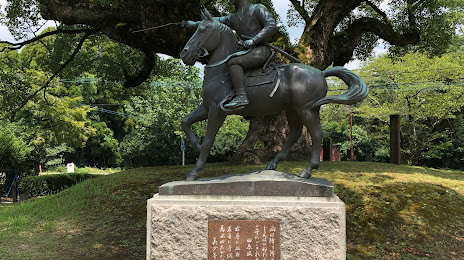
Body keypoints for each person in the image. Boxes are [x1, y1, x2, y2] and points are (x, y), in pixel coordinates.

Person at [186, 0, 277, 109]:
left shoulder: (258, 8)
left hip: (261, 50)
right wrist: (195, 24)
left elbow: (271, 25)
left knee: (233, 62)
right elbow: (216, 20)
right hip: (246, 52)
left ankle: (241, 96)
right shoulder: (234, 17)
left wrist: (254, 40)